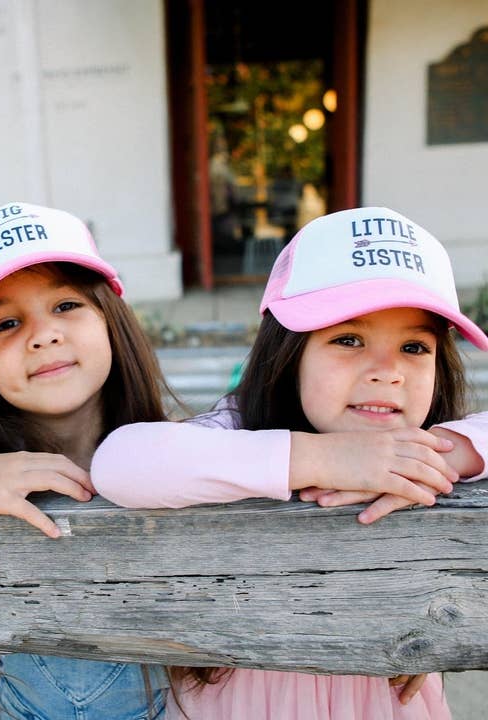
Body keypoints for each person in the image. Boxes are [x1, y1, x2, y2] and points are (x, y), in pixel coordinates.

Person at [0, 202, 480, 718]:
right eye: (7, 324)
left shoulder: (180, 440)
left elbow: (139, 460)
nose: (43, 337)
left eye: (66, 307)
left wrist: (452, 448)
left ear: (111, 318)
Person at [91, 206, 488, 720]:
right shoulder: (241, 425)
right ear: (289, 351)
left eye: (414, 346)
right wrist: (324, 457)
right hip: (247, 693)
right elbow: (120, 463)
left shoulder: (427, 444)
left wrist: (442, 452)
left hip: (385, 699)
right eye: (348, 339)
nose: (388, 372)